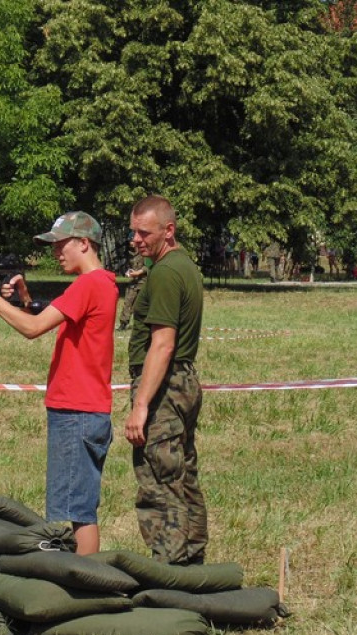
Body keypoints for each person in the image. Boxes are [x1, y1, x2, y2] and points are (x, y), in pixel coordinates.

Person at [0, 212, 118, 554]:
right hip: (80, 408)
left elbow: (32, 329)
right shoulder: (102, 283)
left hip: (77, 409)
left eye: (61, 245)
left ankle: (87, 582)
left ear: (84, 243)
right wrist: (25, 300)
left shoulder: (89, 284)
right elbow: (45, 316)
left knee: (79, 512)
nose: (56, 252)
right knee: (78, 507)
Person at [123, 195, 208, 565]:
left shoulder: (167, 273)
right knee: (183, 473)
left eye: (145, 233)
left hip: (163, 386)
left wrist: (141, 406)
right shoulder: (181, 265)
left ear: (168, 230)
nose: (136, 240)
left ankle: (170, 569)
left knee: (159, 480)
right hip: (182, 381)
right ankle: (192, 560)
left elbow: (162, 343)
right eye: (133, 232)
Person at [117, 247, 147, 331]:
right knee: (127, 302)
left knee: (138, 305)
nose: (132, 242)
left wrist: (138, 273)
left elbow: (148, 266)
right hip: (133, 282)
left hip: (142, 283)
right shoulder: (130, 253)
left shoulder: (145, 252)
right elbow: (129, 265)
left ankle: (140, 324)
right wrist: (129, 272)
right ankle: (123, 323)